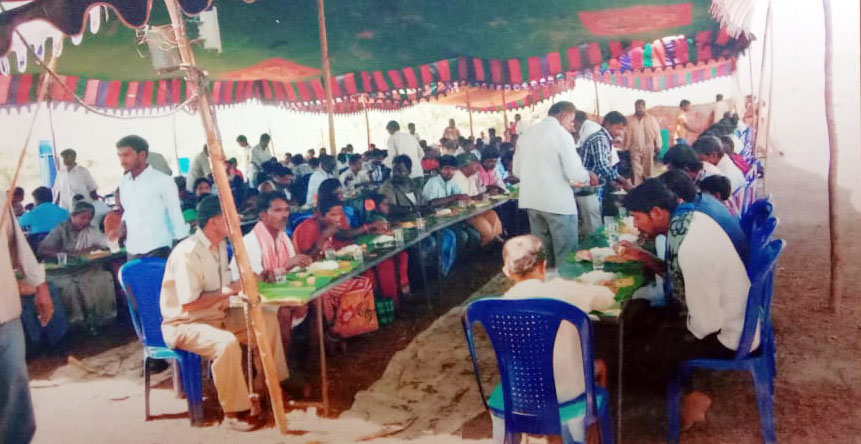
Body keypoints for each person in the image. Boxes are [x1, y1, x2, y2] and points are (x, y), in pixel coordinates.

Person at [617, 179, 752, 429]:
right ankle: (687, 389)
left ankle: (693, 397)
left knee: (644, 353)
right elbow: (680, 278)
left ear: (656, 212)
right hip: (731, 315)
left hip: (728, 334)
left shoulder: (689, 248)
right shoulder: (690, 219)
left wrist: (670, 329)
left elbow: (706, 324)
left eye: (637, 218)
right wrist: (644, 257)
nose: (636, 225)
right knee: (645, 319)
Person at [160, 196, 288, 431]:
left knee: (266, 319)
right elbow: (189, 304)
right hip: (185, 324)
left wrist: (254, 279)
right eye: (231, 218)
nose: (237, 222)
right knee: (225, 343)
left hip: (218, 315)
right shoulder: (188, 253)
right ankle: (235, 411)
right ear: (213, 221)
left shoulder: (220, 245)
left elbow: (228, 286)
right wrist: (232, 289)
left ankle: (269, 386)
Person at [496, 234, 614, 442]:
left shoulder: (499, 306)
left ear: (507, 272)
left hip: (521, 394)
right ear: (544, 265)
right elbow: (607, 299)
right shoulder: (562, 290)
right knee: (601, 366)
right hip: (568, 391)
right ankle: (591, 431)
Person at [229, 192, 313, 379]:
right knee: (284, 311)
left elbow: (292, 271)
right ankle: (279, 373)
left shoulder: (282, 237)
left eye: (286, 210)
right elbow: (258, 280)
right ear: (262, 215)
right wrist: (287, 266)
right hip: (250, 300)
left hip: (277, 294)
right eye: (278, 210)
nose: (284, 215)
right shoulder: (250, 242)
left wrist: (300, 264)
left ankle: (299, 360)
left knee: (310, 299)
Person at [0, 193, 53, 444]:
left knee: (16, 399)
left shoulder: (0, 199)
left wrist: (40, 287)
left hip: (6, 313)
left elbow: (18, 246)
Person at [514, 101, 590, 268]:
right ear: (564, 115)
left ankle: (547, 284)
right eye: (571, 121)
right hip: (558, 203)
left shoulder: (525, 135)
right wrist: (587, 177)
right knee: (566, 254)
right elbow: (574, 173)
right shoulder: (561, 134)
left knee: (544, 256)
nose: (572, 126)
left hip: (532, 202)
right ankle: (563, 285)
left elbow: (517, 172)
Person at [292, 199, 381, 338]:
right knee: (360, 284)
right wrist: (323, 237)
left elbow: (345, 235)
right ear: (319, 214)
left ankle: (350, 328)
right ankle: (336, 331)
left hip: (326, 275)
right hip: (310, 280)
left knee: (363, 280)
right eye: (333, 215)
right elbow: (304, 261)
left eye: (340, 214)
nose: (338, 218)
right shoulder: (308, 227)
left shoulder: (329, 225)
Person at [38, 201, 115, 331]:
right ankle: (77, 322)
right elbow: (42, 250)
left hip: (84, 268)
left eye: (89, 218)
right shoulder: (61, 230)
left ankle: (101, 319)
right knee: (70, 286)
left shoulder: (91, 231)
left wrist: (110, 241)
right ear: (73, 216)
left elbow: (106, 242)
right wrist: (67, 254)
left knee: (102, 278)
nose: (86, 221)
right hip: (61, 272)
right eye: (82, 217)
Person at [116, 135, 189, 259]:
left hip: (159, 248)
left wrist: (181, 246)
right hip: (133, 249)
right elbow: (128, 211)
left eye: (126, 155)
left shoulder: (164, 181)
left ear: (142, 155)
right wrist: (123, 225)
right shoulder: (124, 182)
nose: (122, 161)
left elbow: (176, 216)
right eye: (120, 156)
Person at [579, 111, 634, 229]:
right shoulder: (599, 139)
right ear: (607, 124)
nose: (620, 132)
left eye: (622, 129)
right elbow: (602, 165)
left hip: (594, 189)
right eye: (618, 128)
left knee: (596, 223)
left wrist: (613, 182)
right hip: (588, 189)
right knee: (593, 226)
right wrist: (623, 181)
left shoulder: (605, 139)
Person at [452, 153, 504, 245]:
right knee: (486, 228)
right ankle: (490, 244)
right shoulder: (456, 178)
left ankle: (497, 240)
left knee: (493, 214)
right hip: (465, 215)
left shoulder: (472, 176)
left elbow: (476, 194)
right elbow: (461, 199)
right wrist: (476, 198)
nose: (477, 166)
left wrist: (483, 195)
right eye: (475, 164)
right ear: (464, 167)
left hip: (476, 210)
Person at [624, 99, 663, 185]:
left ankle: (647, 187)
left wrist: (658, 145)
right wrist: (625, 148)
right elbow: (627, 135)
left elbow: (657, 133)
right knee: (636, 170)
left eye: (640, 107)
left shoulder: (651, 119)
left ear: (644, 107)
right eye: (637, 107)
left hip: (648, 148)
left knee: (647, 170)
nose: (638, 109)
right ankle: (637, 187)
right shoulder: (630, 120)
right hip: (634, 149)